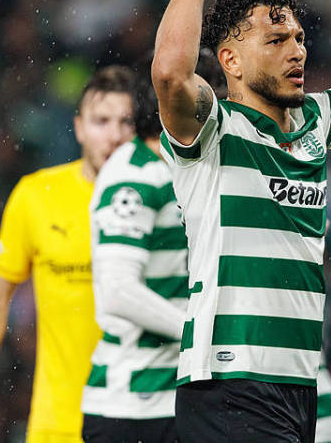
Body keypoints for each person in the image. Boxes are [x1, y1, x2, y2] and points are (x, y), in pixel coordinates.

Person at [151, 0, 331, 442]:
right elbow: (171, 73)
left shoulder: (315, 121)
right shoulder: (213, 130)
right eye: (276, 40)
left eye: (299, 38)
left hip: (297, 381)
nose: (297, 51)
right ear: (231, 60)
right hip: (230, 378)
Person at [0, 66, 136, 443]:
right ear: (79, 128)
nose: (114, 135)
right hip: (58, 424)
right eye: (101, 121)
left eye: (126, 122)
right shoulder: (37, 197)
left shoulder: (166, 194)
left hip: (144, 419)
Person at [80, 55, 217, 443]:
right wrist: (201, 336)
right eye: (217, 93)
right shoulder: (134, 174)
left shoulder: (189, 168)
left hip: (181, 398)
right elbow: (118, 290)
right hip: (133, 406)